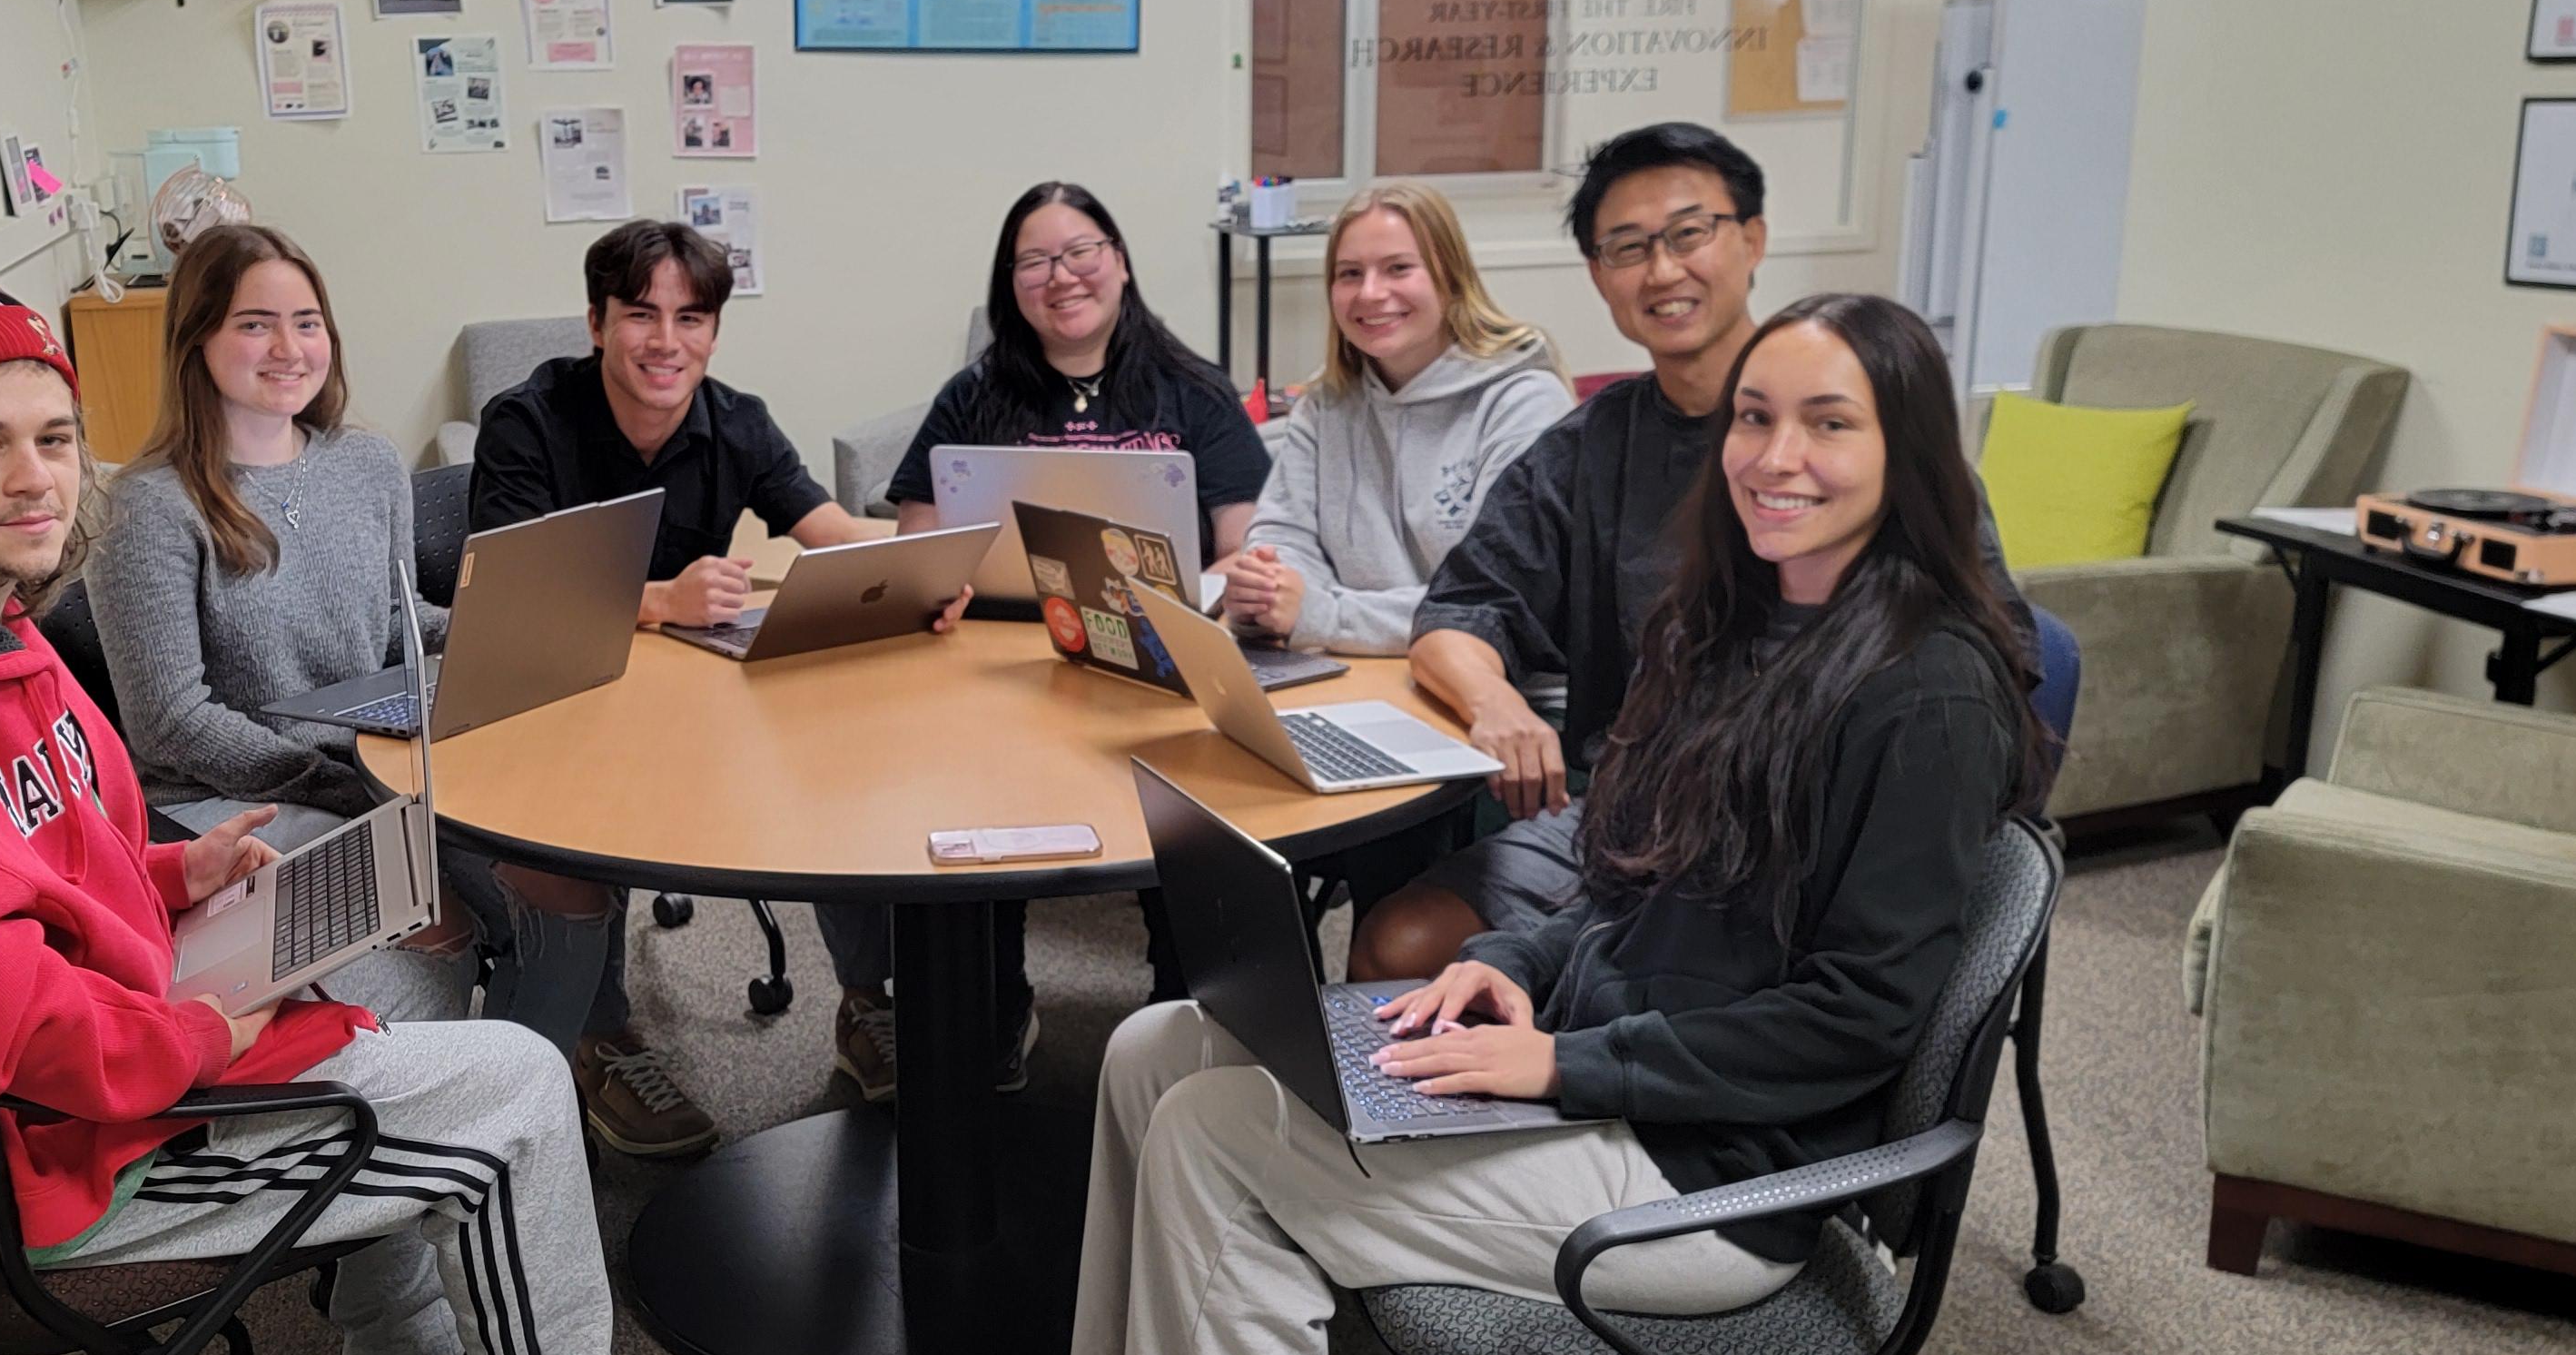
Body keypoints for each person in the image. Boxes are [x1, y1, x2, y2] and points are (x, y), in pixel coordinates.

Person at [1067, 291, 2047, 1355]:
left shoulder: (1932, 688)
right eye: (1758, 419)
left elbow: (1855, 1022)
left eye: (1828, 422)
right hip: (1608, 1082)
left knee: (1217, 1138)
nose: (1777, 456)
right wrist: (1513, 968)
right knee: (1161, 1048)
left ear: (1904, 445)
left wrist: (1561, 1064)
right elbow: (1625, 876)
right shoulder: (1739, 622)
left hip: (1711, 1175)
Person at [0, 183, 699, 1355]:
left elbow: (45, 850)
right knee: (517, 1085)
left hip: (98, 1049)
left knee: (377, 995)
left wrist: (176, 881)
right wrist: (182, 1030)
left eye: (53, 439)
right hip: (57, 1160)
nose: (38, 479)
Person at [1354, 120, 2012, 982]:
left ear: (1752, 241)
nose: (1662, 270)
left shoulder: (1878, 453)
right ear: (1598, 275)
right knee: (1400, 945)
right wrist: (1494, 701)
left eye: (1689, 233)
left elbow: (1997, 667)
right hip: (1622, 819)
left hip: (1792, 834)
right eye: (1627, 247)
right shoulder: (1590, 448)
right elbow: (1458, 608)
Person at [88, 223, 613, 1052]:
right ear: (198, 340)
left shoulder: (366, 463)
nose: (289, 347)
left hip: (373, 765)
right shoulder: (149, 506)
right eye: (254, 323)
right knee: (436, 922)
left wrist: (517, 635)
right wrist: (335, 781)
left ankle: (523, 1086)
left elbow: (398, 628)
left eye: (307, 321)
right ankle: (466, 1104)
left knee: (565, 887)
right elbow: (169, 721)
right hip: (235, 798)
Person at [470, 218, 918, 1153]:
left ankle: (867, 1002)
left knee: (837, 747)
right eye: (640, 314)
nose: (666, 342)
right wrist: (658, 602)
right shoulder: (530, 419)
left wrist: (937, 563)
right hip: (571, 694)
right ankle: (599, 1041)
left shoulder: (737, 419)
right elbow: (511, 590)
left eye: (691, 318)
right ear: (596, 322)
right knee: (577, 806)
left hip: (697, 696)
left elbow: (828, 528)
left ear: (714, 331)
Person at [828, 183, 1275, 1101]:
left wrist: (1211, 604)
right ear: (1009, 285)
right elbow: (921, 545)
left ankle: (1179, 1019)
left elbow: (1244, 549)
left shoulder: (1192, 389)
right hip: (996, 663)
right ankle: (990, 1007)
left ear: (1117, 259)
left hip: (1155, 667)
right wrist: (933, 587)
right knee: (970, 812)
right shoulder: (975, 394)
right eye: (1032, 261)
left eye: (1079, 252)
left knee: (1184, 815)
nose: (1059, 277)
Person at [1215, 179, 1571, 656]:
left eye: (1398, 268)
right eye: (1349, 274)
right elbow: (1284, 536)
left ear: (1451, 276)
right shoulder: (1326, 402)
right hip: (1354, 669)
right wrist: (1267, 593)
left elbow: (1499, 602)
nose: (1371, 293)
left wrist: (1323, 614)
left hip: (1496, 684)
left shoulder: (1523, 404)